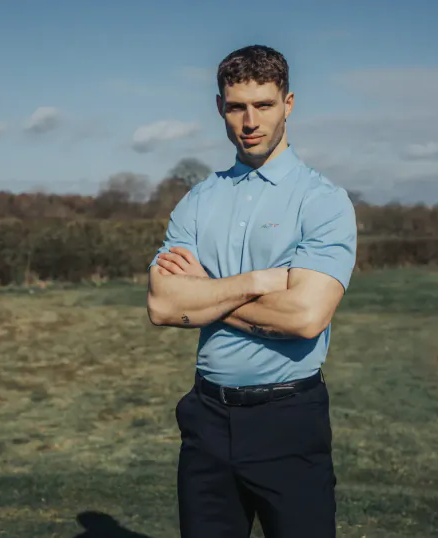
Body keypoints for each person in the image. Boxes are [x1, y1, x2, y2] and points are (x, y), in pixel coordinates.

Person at [146, 44, 357, 538]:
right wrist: (255, 283)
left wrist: (204, 294)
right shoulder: (198, 199)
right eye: (237, 106)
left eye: (263, 105)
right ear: (220, 106)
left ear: (288, 104)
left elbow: (306, 316)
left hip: (289, 418)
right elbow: (161, 304)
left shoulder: (322, 201)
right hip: (206, 419)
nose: (250, 121)